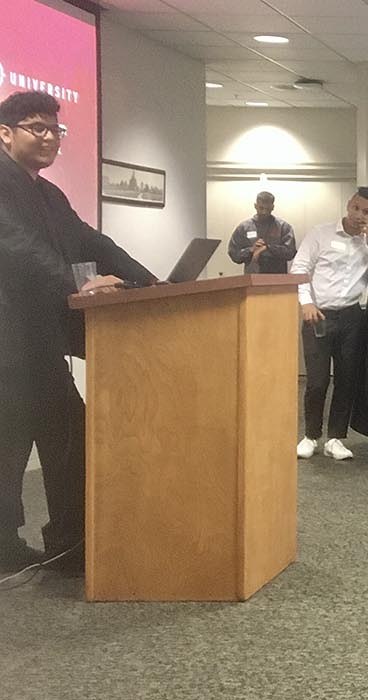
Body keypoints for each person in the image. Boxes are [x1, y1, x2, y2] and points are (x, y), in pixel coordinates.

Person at [0, 91, 158, 573]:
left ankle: (68, 540)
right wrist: (79, 282)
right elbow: (16, 247)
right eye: (37, 127)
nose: (49, 137)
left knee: (68, 434)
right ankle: (7, 547)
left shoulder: (48, 192)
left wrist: (150, 280)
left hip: (41, 342)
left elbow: (91, 239)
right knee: (8, 448)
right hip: (7, 344)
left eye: (55, 129)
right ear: (5, 133)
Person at [291, 187, 368, 462]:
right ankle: (311, 435)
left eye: (367, 212)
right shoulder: (320, 233)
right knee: (317, 380)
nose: (359, 215)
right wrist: (306, 302)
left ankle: (335, 438)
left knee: (347, 379)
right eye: (356, 208)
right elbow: (299, 268)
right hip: (318, 314)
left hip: (351, 317)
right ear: (349, 205)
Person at [227, 191, 296, 274]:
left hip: (277, 279)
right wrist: (251, 250)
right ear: (255, 206)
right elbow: (234, 254)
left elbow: (290, 252)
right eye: (261, 208)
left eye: (267, 209)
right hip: (252, 278)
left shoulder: (283, 227)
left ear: (273, 207)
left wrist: (268, 248)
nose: (264, 212)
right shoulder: (244, 228)